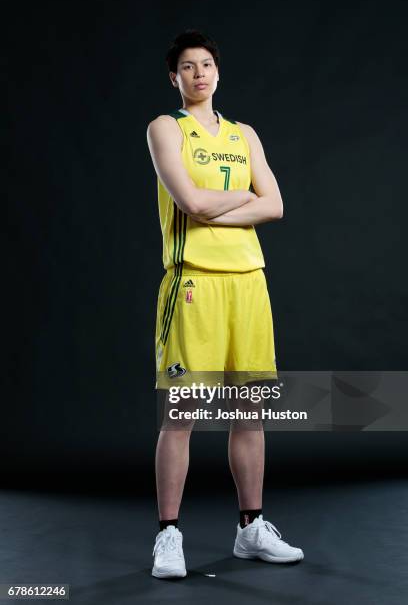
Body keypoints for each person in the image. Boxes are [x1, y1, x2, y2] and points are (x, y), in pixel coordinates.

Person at [146, 29, 304, 579]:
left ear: (218, 71)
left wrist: (219, 206)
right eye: (188, 67)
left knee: (250, 412)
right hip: (194, 283)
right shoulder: (167, 128)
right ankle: (168, 534)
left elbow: (277, 205)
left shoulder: (244, 134)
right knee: (181, 414)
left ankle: (251, 529)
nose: (199, 74)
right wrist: (244, 198)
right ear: (175, 77)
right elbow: (187, 200)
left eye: (207, 64)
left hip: (248, 282)